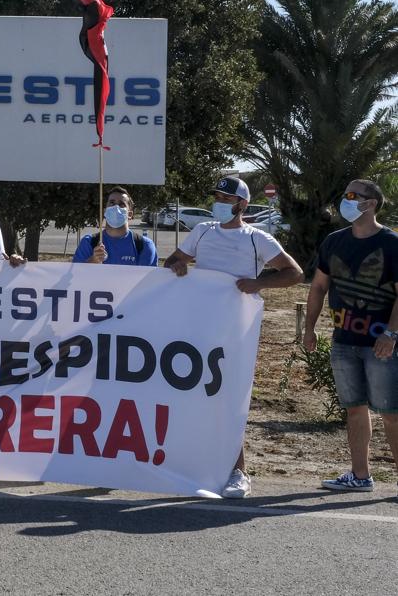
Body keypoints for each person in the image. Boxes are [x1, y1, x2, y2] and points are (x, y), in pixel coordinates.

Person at [166, 175, 304, 498]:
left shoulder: (257, 239)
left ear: (242, 204)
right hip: (198, 328)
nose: (220, 204)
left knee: (229, 401)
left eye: (226, 200)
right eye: (217, 198)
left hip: (235, 332)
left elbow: (295, 273)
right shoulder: (201, 232)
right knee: (196, 396)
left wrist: (260, 284)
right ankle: (203, 465)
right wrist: (177, 266)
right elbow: (172, 262)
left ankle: (238, 471)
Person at [302, 179, 398, 493]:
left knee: (391, 413)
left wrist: (391, 333)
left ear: (371, 203)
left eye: (353, 195)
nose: (346, 200)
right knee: (355, 408)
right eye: (345, 194)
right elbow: (318, 286)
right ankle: (360, 476)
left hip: (381, 344)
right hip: (343, 342)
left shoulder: (392, 244)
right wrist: (310, 328)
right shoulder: (334, 241)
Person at [73, 187, 157, 266]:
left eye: (121, 204)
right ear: (105, 211)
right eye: (112, 202)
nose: (116, 207)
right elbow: (76, 276)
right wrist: (93, 261)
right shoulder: (89, 243)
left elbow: (147, 280)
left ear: (130, 214)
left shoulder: (144, 245)